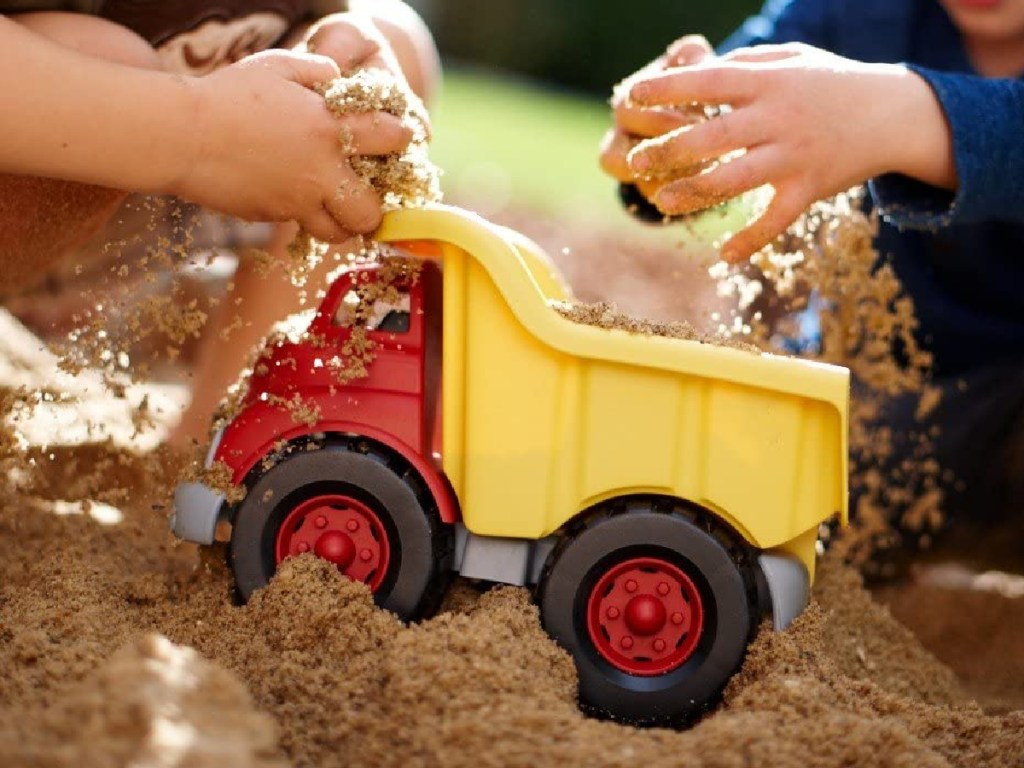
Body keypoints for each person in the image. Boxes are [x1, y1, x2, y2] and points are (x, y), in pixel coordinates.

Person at [601, 0, 1024, 524]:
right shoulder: (855, 13)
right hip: (892, 409)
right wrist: (662, 139)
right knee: (741, 515)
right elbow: (725, 104)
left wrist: (904, 112)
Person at [0, 0, 439, 445]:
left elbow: (331, 21)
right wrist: (198, 135)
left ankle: (216, 444)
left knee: (389, 49)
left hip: (164, 178)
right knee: (104, 51)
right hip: (43, 137)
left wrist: (340, 40)